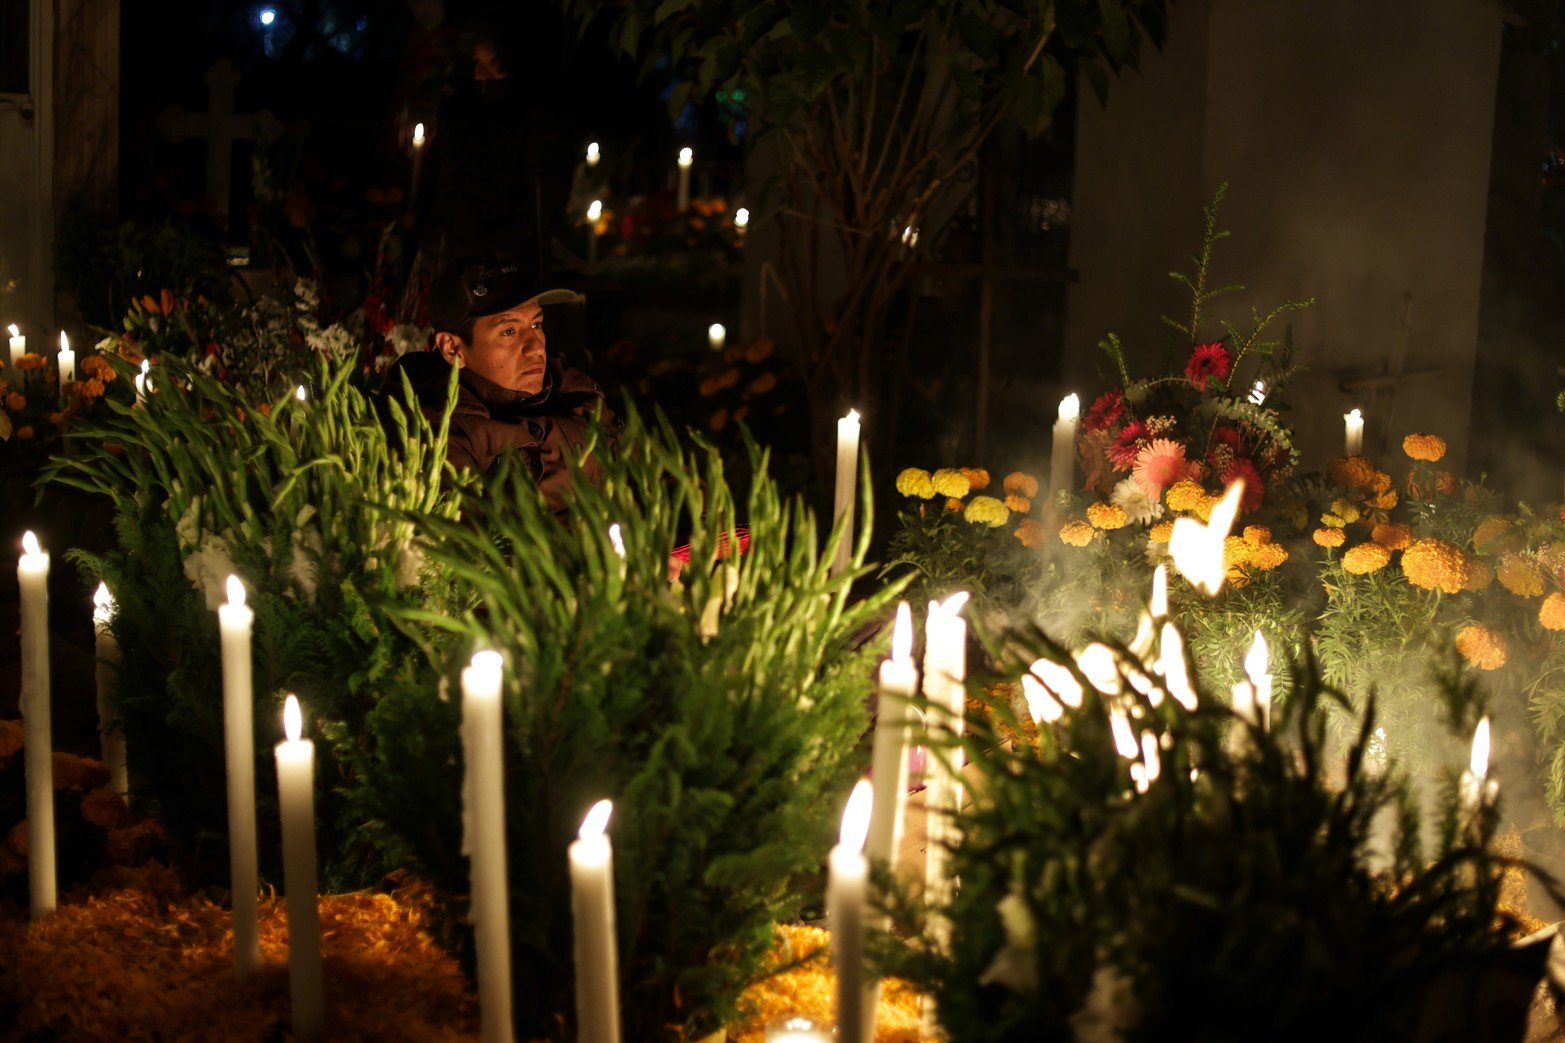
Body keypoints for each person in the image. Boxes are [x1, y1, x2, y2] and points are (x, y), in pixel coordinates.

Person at [384, 253, 619, 512]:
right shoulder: (439, 431)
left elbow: (653, 476)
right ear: (452, 348)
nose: (535, 348)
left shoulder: (572, 388)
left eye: (536, 324)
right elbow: (480, 541)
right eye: (509, 331)